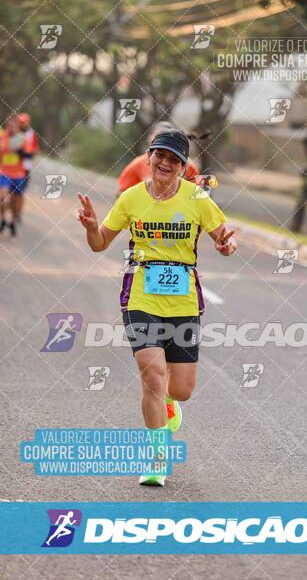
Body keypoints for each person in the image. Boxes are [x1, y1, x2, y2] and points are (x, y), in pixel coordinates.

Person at [77, 128, 237, 486]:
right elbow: (100, 243)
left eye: (173, 159)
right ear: (148, 158)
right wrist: (91, 227)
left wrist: (228, 246)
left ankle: (170, 404)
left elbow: (224, 238)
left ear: (183, 166)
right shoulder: (131, 198)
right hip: (140, 296)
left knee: (180, 389)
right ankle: (156, 457)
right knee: (152, 376)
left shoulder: (197, 198)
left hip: (183, 299)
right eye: (159, 155)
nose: (164, 163)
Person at [117, 122, 199, 195]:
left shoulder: (189, 166)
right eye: (159, 135)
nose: (165, 163)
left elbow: (199, 195)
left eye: (174, 160)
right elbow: (121, 193)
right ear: (149, 137)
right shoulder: (137, 163)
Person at [0, 116, 25, 236]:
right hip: (4, 172)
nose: (11, 128)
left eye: (13, 126)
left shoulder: (22, 138)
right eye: (9, 126)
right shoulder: (2, 136)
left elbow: (28, 154)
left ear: (18, 127)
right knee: (3, 198)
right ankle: (3, 219)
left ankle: (13, 221)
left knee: (14, 202)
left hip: (18, 174)